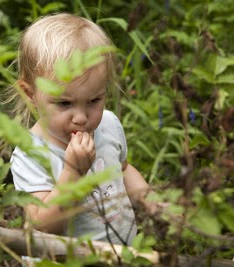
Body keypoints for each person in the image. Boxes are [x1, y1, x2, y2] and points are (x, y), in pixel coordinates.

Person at [8, 13, 151, 246]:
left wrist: (150, 201)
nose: (82, 118)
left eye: (94, 100)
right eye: (65, 103)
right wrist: (73, 173)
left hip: (122, 253)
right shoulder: (31, 154)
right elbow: (42, 227)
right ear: (30, 94)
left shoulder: (108, 124)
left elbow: (123, 169)